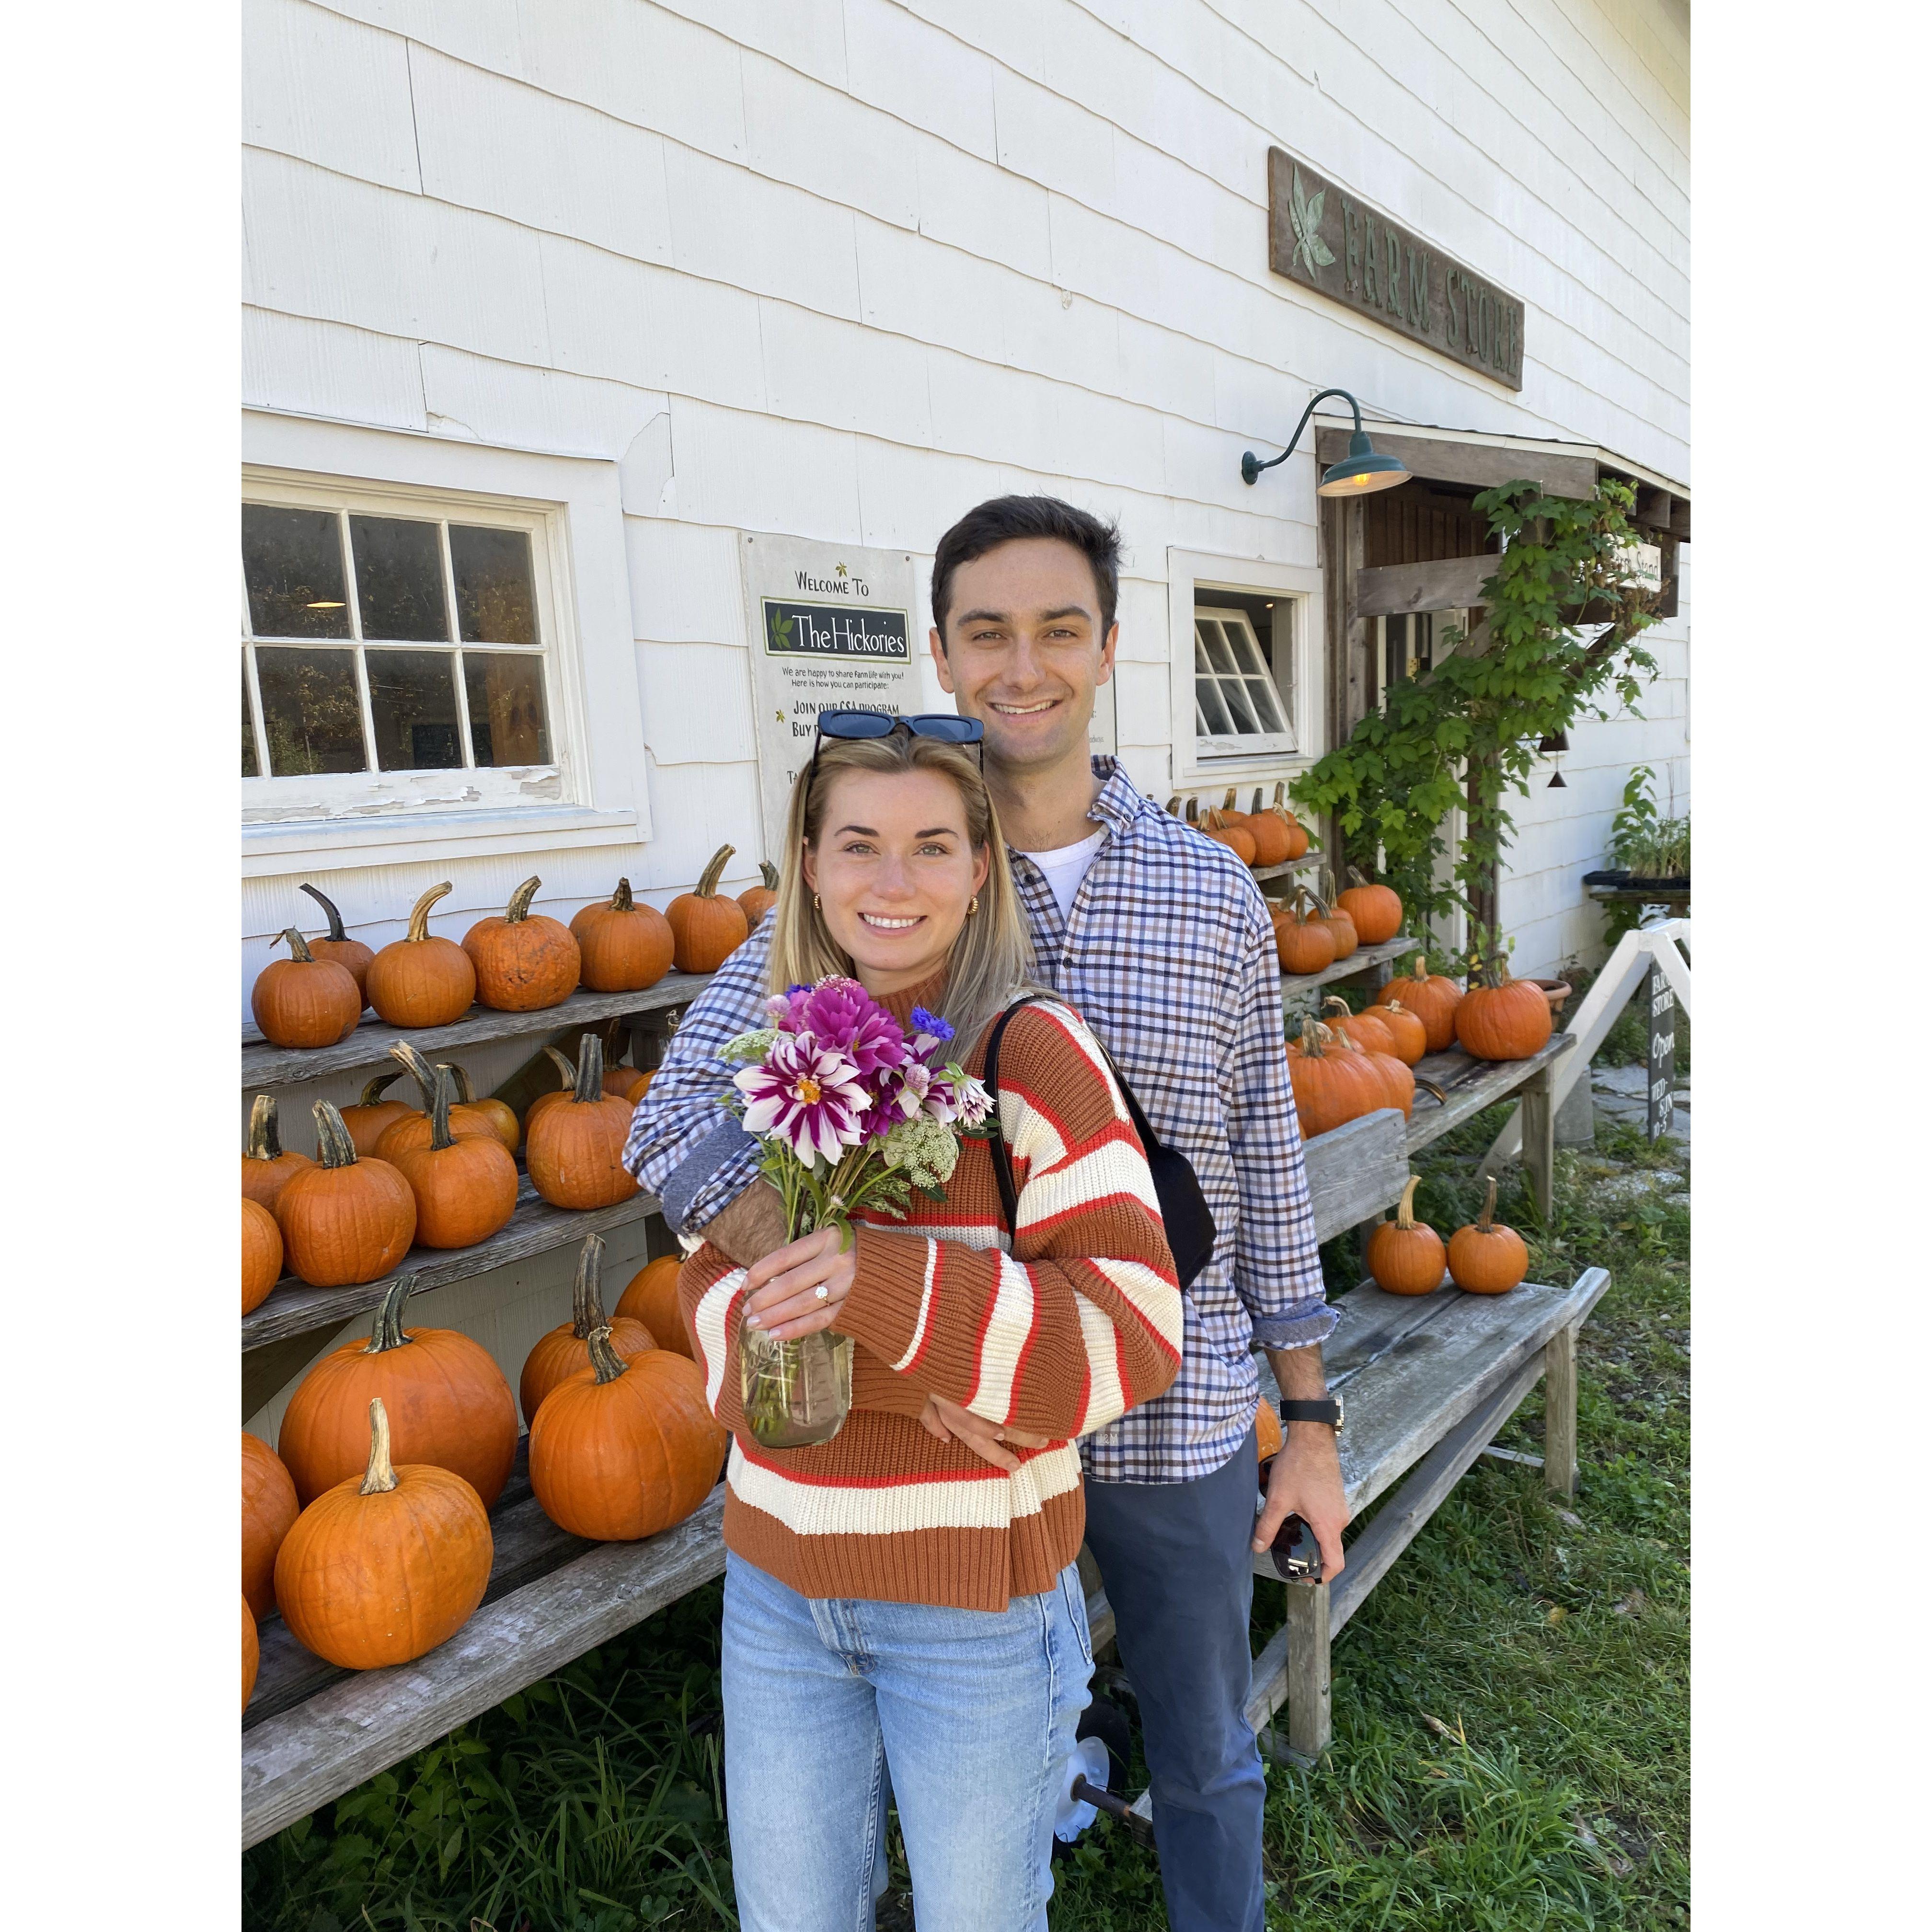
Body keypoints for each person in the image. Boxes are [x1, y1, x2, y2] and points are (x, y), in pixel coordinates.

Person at [627, 495, 1349, 1932]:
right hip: (940, 1453)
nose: (1024, 665)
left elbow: (1266, 1161)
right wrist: (889, 1335)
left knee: (1205, 1751)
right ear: (947, 659)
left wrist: (1312, 1423)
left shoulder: (1212, 893)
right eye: (987, 634)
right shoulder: (878, 890)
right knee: (973, 1737)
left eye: (1059, 630)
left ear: (1110, 648)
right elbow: (673, 1124)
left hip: (1165, 1402)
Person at [654, 719, 1182, 1932]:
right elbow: (709, 1303)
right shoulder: (778, 1057)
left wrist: (872, 1283)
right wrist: (913, 1382)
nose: (893, 885)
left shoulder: (1032, 1055)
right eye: (860, 846)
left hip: (977, 1613)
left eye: (933, 847)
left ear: (981, 868)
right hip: (779, 1584)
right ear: (810, 862)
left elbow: (1134, 1329)